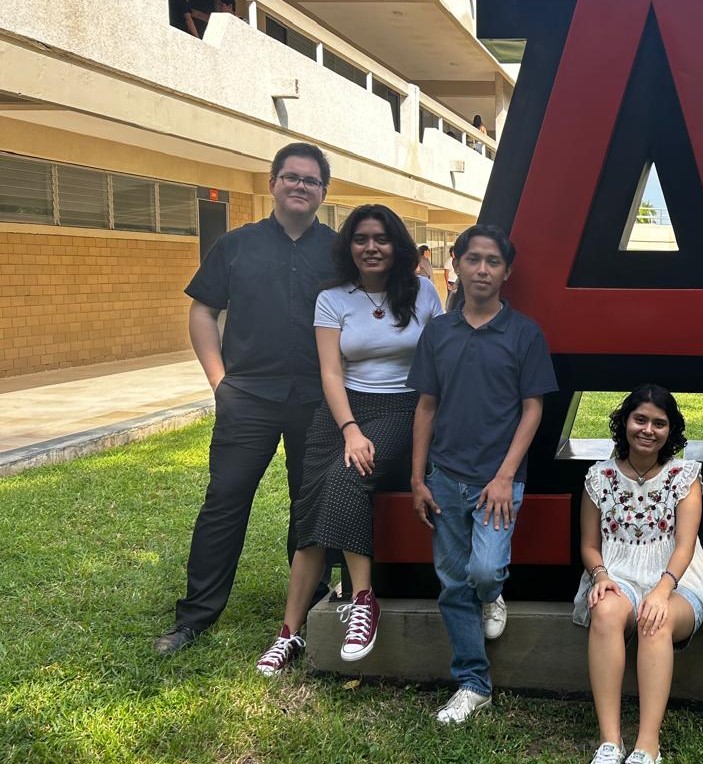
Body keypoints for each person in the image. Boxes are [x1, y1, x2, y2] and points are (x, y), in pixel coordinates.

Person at [156, 143, 337, 655]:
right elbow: (203, 311)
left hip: (318, 400)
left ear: (323, 191)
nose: (300, 186)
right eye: (291, 177)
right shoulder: (236, 246)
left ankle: (312, 606)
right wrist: (220, 383)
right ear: (273, 182)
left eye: (311, 180)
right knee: (225, 502)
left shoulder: (339, 251)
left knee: (312, 506)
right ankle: (195, 616)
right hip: (249, 397)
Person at [255, 205, 443, 675]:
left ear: (397, 246)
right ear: (349, 247)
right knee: (309, 511)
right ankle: (290, 631)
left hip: (402, 408)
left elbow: (439, 359)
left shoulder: (422, 291)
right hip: (342, 413)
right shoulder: (333, 298)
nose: (371, 247)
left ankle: (364, 599)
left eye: (381, 238)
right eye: (361, 239)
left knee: (346, 478)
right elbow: (331, 372)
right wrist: (350, 429)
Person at [407, 224, 558, 725]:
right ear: (457, 264)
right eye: (473, 259)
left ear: (506, 272)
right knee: (452, 583)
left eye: (493, 262)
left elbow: (532, 410)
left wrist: (504, 476)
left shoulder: (524, 333)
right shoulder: (438, 333)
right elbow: (426, 407)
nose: (483, 270)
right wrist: (418, 478)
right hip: (446, 477)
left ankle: (493, 597)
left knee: (484, 571)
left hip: (499, 480)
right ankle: (473, 683)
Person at [575, 386, 703, 764]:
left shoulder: (684, 476)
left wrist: (662, 592)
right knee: (606, 611)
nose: (648, 430)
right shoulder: (599, 477)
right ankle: (610, 742)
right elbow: (589, 545)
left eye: (660, 423)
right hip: (618, 573)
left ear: (670, 430)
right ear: (625, 422)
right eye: (640, 419)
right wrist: (601, 575)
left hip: (677, 579)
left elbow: (685, 545)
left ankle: (647, 746)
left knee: (653, 622)